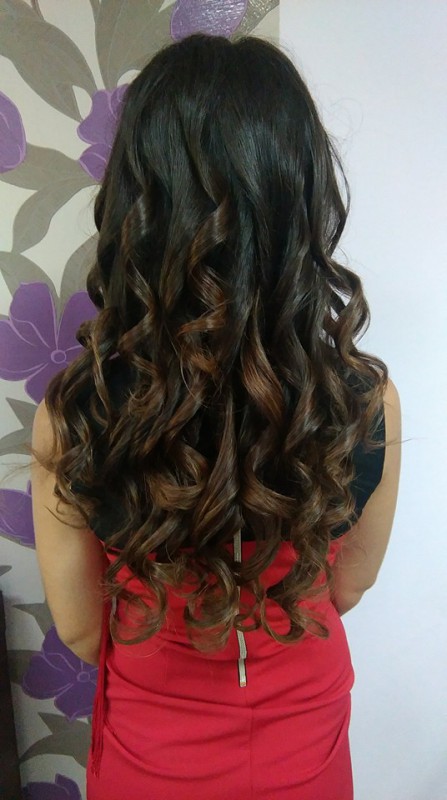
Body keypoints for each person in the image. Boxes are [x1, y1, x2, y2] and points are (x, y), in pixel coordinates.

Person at [30, 33, 401, 800]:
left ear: (139, 202)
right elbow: (349, 585)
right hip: (304, 745)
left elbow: (81, 629)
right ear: (299, 197)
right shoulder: (366, 401)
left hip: (150, 751)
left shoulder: (73, 416)